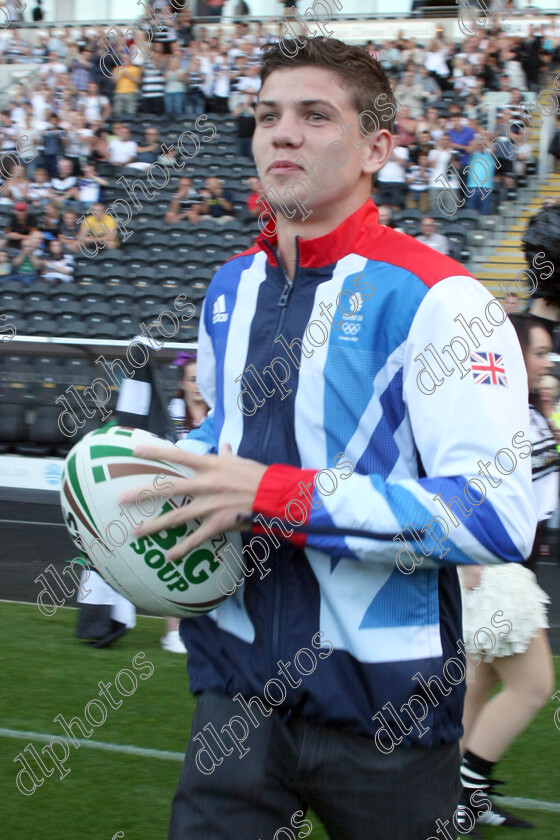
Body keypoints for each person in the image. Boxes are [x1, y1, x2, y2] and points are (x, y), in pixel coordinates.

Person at [122, 37, 536, 840]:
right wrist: (143, 487)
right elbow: (227, 435)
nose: (282, 133)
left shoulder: (444, 299)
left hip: (387, 714)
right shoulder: (228, 288)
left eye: (315, 115)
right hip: (233, 694)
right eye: (268, 115)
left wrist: (272, 495)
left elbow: (496, 514)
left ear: (378, 146)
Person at [458, 314, 557, 832]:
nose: (546, 363)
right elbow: (461, 478)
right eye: (538, 352)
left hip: (517, 565)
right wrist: (467, 552)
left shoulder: (529, 411)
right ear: (510, 353)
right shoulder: (494, 414)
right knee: (535, 685)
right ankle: (467, 792)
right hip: (497, 566)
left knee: (476, 688)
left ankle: (447, 792)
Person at [161, 352, 210, 654]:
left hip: (210, 495)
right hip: (180, 493)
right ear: (182, 383)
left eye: (201, 380)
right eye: (192, 380)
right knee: (177, 557)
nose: (197, 386)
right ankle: (172, 631)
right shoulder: (173, 411)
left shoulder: (219, 412)